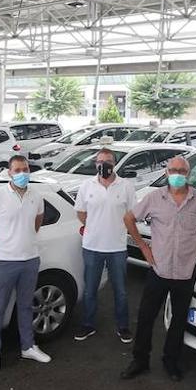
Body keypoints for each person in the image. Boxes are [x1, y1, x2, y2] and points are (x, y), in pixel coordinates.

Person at [122, 155, 196, 381]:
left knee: (179, 320)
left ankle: (171, 361)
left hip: (186, 271)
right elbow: (129, 218)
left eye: (181, 170)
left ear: (188, 174)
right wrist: (143, 247)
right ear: (167, 173)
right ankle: (140, 360)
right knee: (146, 316)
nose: (177, 174)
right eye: (173, 170)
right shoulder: (154, 197)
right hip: (159, 270)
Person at [0, 154, 52, 373]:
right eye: (18, 170)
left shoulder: (36, 196)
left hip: (30, 260)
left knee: (26, 305)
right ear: (9, 172)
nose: (22, 173)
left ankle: (28, 346)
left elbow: (36, 224)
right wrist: (3, 248)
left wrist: (24, 243)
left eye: (25, 169)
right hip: (5, 261)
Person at [73, 147, 136, 343]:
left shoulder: (126, 186)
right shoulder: (86, 186)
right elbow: (81, 213)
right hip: (92, 247)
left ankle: (123, 326)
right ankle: (88, 324)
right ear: (95, 164)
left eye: (107, 161)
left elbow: (131, 215)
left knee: (121, 291)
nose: (103, 165)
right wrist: (94, 226)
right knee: (90, 289)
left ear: (114, 163)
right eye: (100, 162)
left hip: (117, 248)